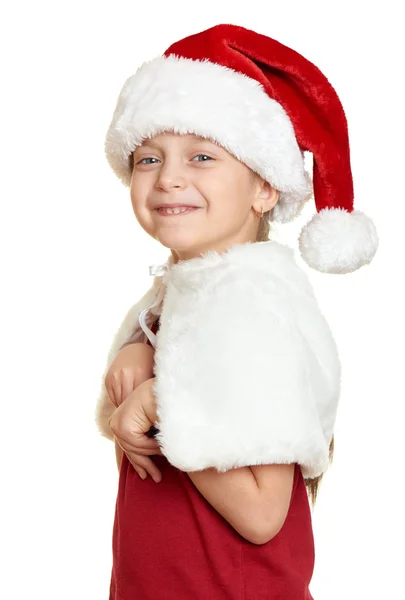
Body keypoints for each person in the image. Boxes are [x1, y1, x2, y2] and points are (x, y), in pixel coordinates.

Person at [95, 24, 379, 599]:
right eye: (148, 157)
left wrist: (161, 402)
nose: (169, 176)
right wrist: (137, 353)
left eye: (202, 156)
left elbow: (261, 512)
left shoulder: (251, 305)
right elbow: (135, 439)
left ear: (265, 189)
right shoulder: (187, 292)